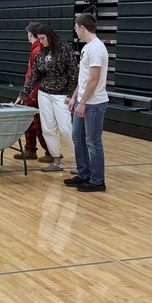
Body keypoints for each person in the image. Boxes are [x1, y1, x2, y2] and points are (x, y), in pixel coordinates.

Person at [18, 26, 78, 171]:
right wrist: (23, 94)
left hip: (61, 95)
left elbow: (74, 74)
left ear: (50, 36)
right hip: (44, 94)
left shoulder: (65, 49)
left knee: (66, 129)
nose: (41, 41)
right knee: (48, 129)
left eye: (43, 38)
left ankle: (82, 161)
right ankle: (56, 161)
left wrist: (70, 96)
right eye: (39, 38)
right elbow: (34, 75)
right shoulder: (42, 52)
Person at [65, 14, 110, 193]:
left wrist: (82, 103)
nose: (75, 30)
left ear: (82, 27)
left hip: (94, 104)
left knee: (93, 142)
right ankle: (84, 174)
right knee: (78, 139)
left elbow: (94, 79)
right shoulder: (87, 48)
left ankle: (98, 181)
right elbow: (83, 79)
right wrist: (75, 97)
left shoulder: (97, 49)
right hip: (83, 102)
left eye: (76, 27)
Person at [16, 22, 52, 164]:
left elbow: (37, 75)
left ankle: (50, 151)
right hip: (32, 91)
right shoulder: (36, 49)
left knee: (39, 123)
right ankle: (30, 149)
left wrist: (31, 92)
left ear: (30, 34)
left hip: (35, 92)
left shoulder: (37, 50)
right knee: (30, 122)